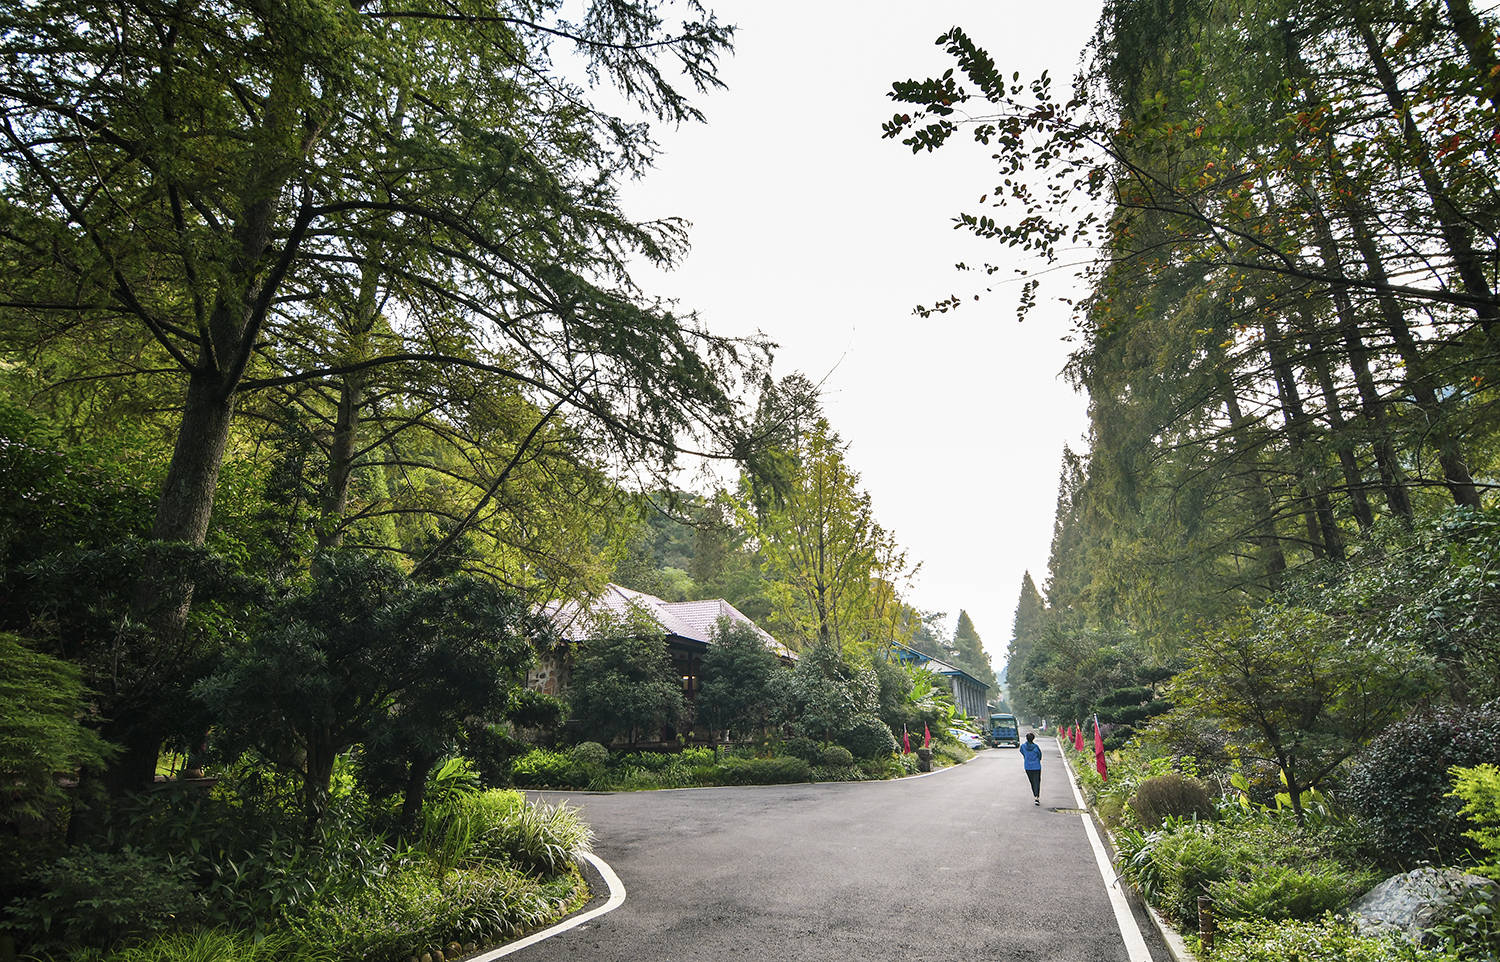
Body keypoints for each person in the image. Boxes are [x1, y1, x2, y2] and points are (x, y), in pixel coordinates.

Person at [1020, 731, 1042, 805]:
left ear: (1026, 738)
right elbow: (1040, 755)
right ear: (1033, 739)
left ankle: (1035, 795)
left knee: (1032, 782)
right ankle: (1037, 797)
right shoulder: (1036, 747)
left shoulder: (1023, 746)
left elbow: (1022, 752)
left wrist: (1026, 757)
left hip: (1028, 767)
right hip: (1036, 767)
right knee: (1037, 782)